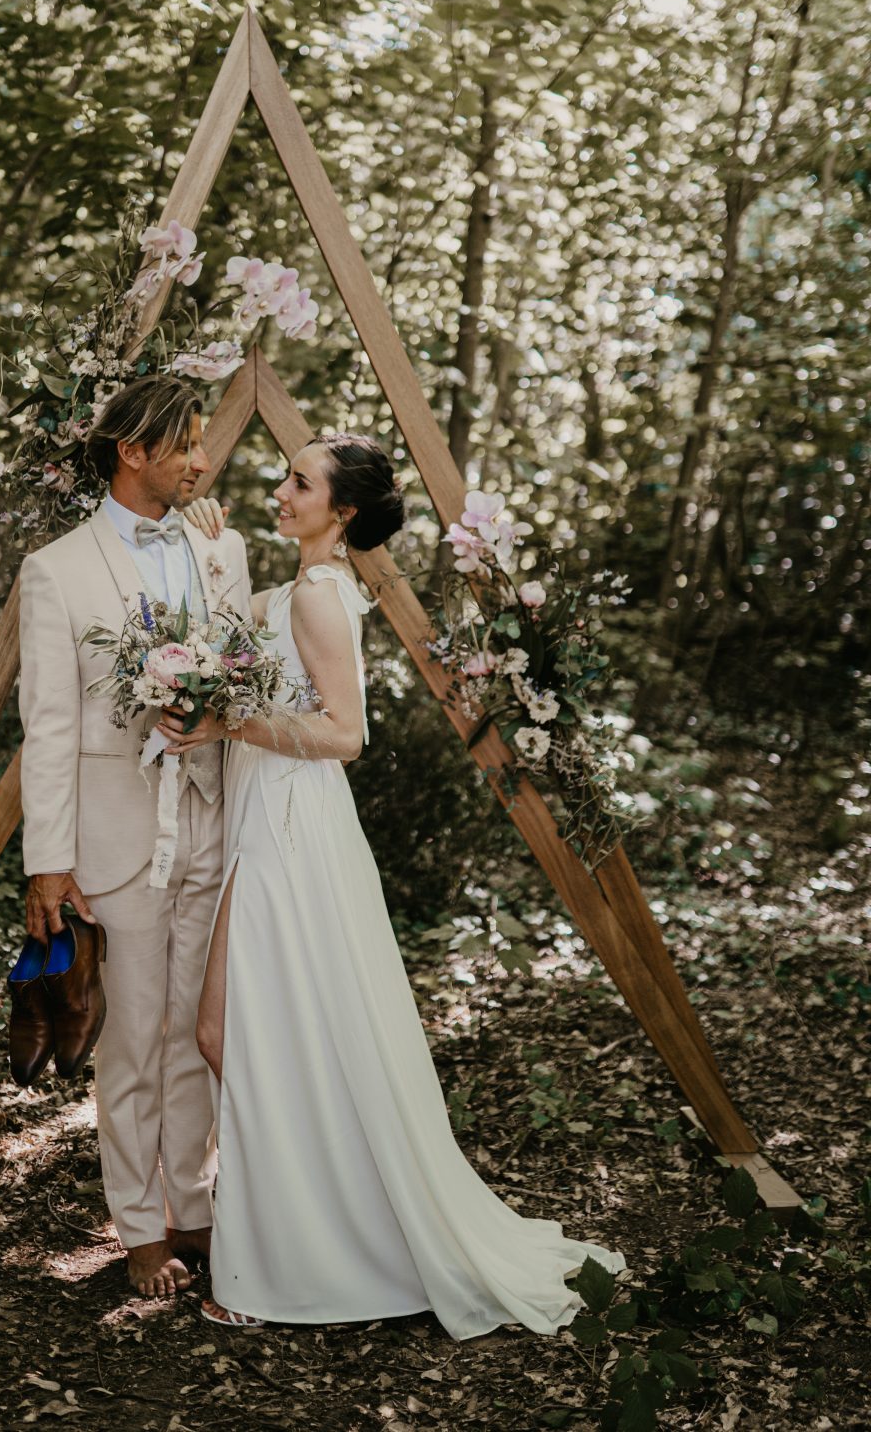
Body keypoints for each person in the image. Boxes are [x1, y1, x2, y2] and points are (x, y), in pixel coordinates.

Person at [164, 434, 626, 1338]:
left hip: (293, 831)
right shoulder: (306, 586)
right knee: (237, 1033)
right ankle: (321, 1230)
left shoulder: (319, 596)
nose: (281, 489)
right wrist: (202, 541)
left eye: (301, 483)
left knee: (233, 1033)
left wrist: (230, 721)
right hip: (269, 825)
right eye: (287, 475)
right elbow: (238, 631)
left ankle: (287, 1262)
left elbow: (346, 735)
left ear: (342, 513)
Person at [18, 375, 252, 1300]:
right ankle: (139, 1225)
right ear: (133, 452)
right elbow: (47, 726)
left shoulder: (222, 548)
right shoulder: (57, 570)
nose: (202, 462)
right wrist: (48, 862)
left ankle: (194, 1205)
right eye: (186, 445)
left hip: (211, 824)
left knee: (197, 1031)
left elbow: (246, 667)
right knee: (131, 1038)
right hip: (115, 840)